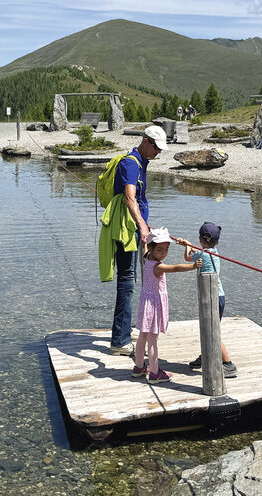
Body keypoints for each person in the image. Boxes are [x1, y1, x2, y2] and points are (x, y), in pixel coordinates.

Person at [109, 125, 168, 356]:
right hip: (126, 230)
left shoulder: (142, 162)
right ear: (145, 141)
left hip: (134, 227)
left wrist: (143, 224)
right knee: (126, 281)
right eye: (156, 148)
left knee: (131, 280)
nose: (158, 152)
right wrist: (142, 225)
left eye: (160, 149)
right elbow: (129, 197)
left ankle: (124, 331)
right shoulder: (131, 163)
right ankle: (119, 342)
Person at [131, 227, 202, 383]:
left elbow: (144, 246)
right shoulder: (157, 267)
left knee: (143, 336)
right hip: (153, 305)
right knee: (152, 339)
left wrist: (145, 239)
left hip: (145, 303)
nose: (163, 253)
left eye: (166, 249)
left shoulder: (146, 257)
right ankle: (154, 372)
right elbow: (175, 268)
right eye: (159, 250)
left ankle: (139, 367)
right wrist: (193, 266)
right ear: (152, 248)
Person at [181, 221, 237, 378]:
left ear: (200, 239)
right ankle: (205, 355)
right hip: (220, 296)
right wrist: (189, 244)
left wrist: (187, 246)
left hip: (211, 297)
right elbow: (200, 251)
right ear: (217, 241)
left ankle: (228, 364)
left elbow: (187, 257)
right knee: (209, 328)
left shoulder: (202, 255)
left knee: (213, 331)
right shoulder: (214, 252)